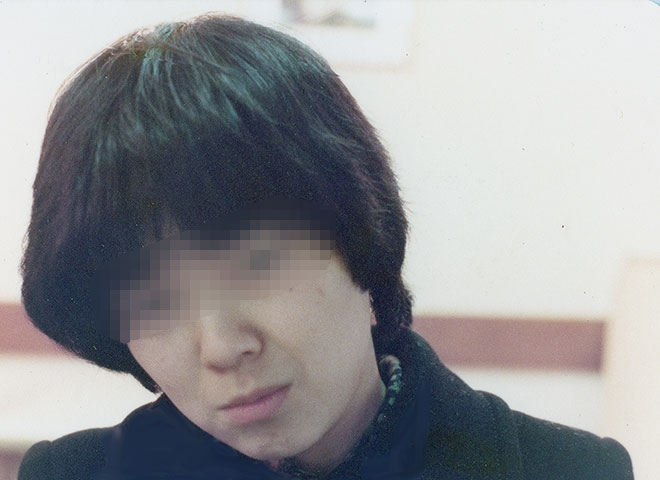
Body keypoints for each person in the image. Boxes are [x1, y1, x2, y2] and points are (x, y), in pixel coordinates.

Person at [18, 14, 633, 480]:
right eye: (155, 301)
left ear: (358, 238)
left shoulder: (569, 470)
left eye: (257, 267)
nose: (224, 347)